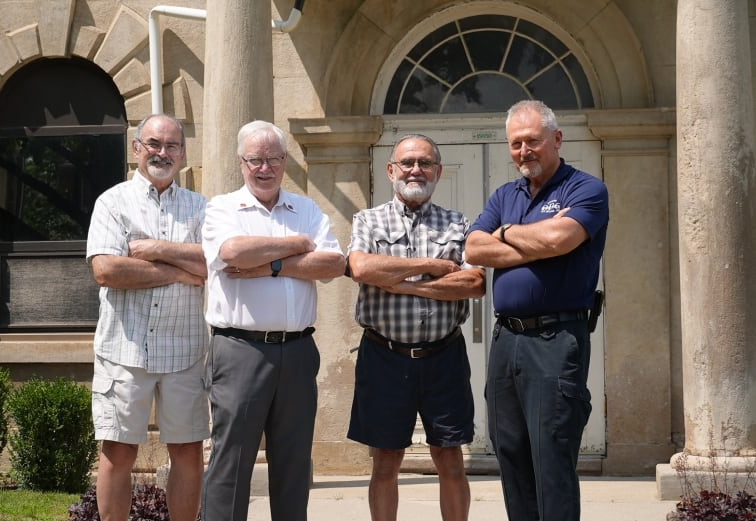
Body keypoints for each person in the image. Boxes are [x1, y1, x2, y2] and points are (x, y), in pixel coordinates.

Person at [465, 100, 609, 521]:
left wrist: (505, 234)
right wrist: (530, 239)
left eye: (532, 141)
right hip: (506, 341)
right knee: (511, 453)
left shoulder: (585, 189)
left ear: (557, 139)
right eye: (515, 144)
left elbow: (559, 241)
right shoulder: (504, 194)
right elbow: (474, 247)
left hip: (555, 341)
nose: (523, 151)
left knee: (551, 456)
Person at [200, 120, 345, 521]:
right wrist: (298, 245)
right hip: (240, 349)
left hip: (298, 351)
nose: (265, 168)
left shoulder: (307, 208)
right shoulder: (223, 208)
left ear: (285, 161)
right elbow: (233, 252)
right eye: (255, 160)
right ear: (241, 162)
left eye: (274, 159)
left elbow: (333, 262)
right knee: (232, 461)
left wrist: (271, 265)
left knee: (294, 464)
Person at [346, 134, 486, 521]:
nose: (415, 170)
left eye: (425, 163)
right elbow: (361, 268)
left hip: (444, 357)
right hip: (384, 357)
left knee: (451, 458)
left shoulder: (457, 223)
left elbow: (474, 283)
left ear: (438, 172)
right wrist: (435, 265)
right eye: (407, 162)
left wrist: (403, 283)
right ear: (391, 170)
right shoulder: (367, 220)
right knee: (386, 462)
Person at [87, 114, 209, 521]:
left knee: (189, 451)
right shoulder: (112, 202)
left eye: (172, 145)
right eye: (154, 143)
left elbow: (214, 264)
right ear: (137, 148)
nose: (163, 152)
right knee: (118, 451)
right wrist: (178, 270)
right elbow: (107, 270)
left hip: (185, 350)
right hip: (124, 348)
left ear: (183, 153)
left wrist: (154, 249)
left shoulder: (201, 208)